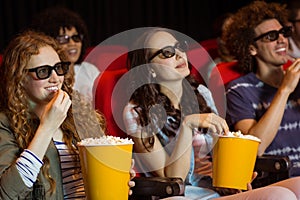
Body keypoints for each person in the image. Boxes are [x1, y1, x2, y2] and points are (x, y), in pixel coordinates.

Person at [122, 27, 300, 199]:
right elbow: (173, 181)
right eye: (167, 52)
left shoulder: (201, 93)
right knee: (280, 195)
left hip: (215, 188)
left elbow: (221, 153)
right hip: (184, 195)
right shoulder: (136, 112)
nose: (179, 55)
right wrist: (187, 125)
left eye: (180, 47)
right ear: (149, 68)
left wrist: (233, 180)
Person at [0, 30, 135, 199]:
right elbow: (7, 193)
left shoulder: (80, 114)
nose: (55, 78)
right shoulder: (5, 123)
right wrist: (47, 127)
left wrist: (118, 176)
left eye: (58, 68)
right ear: (20, 78)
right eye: (43, 71)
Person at [223, 0, 300, 177]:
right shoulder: (238, 90)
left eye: (284, 32)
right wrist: (284, 90)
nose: (281, 39)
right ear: (252, 49)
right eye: (271, 36)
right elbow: (255, 148)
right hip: (280, 180)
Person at [29, 6, 100, 102]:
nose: (72, 43)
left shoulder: (89, 70)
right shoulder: (48, 79)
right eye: (63, 39)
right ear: (48, 42)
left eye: (76, 37)